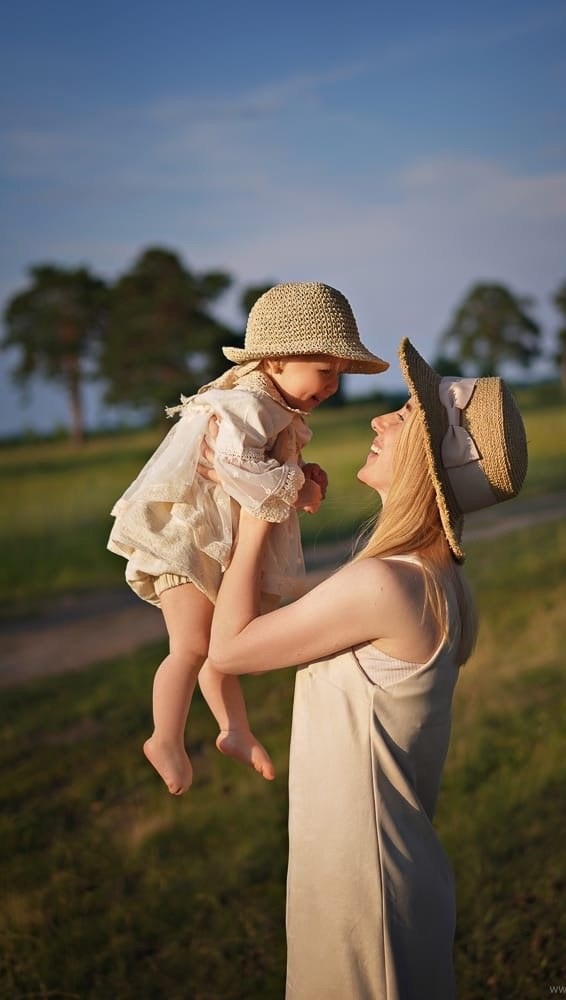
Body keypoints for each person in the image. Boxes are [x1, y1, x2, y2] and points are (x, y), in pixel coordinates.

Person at [199, 337, 528, 998]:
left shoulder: (388, 584)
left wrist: (260, 500)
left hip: (365, 895)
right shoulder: (425, 579)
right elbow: (282, 624)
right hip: (371, 873)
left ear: (429, 463)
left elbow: (229, 650)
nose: (380, 420)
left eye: (404, 415)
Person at [107, 281, 388, 796]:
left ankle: (234, 729)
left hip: (216, 542)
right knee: (191, 644)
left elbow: (262, 467)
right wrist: (294, 486)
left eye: (338, 377)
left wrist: (305, 474)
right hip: (187, 539)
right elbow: (235, 466)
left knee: (221, 646)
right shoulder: (246, 405)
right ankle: (163, 738)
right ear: (277, 361)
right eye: (325, 372)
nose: (332, 387)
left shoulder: (274, 409)